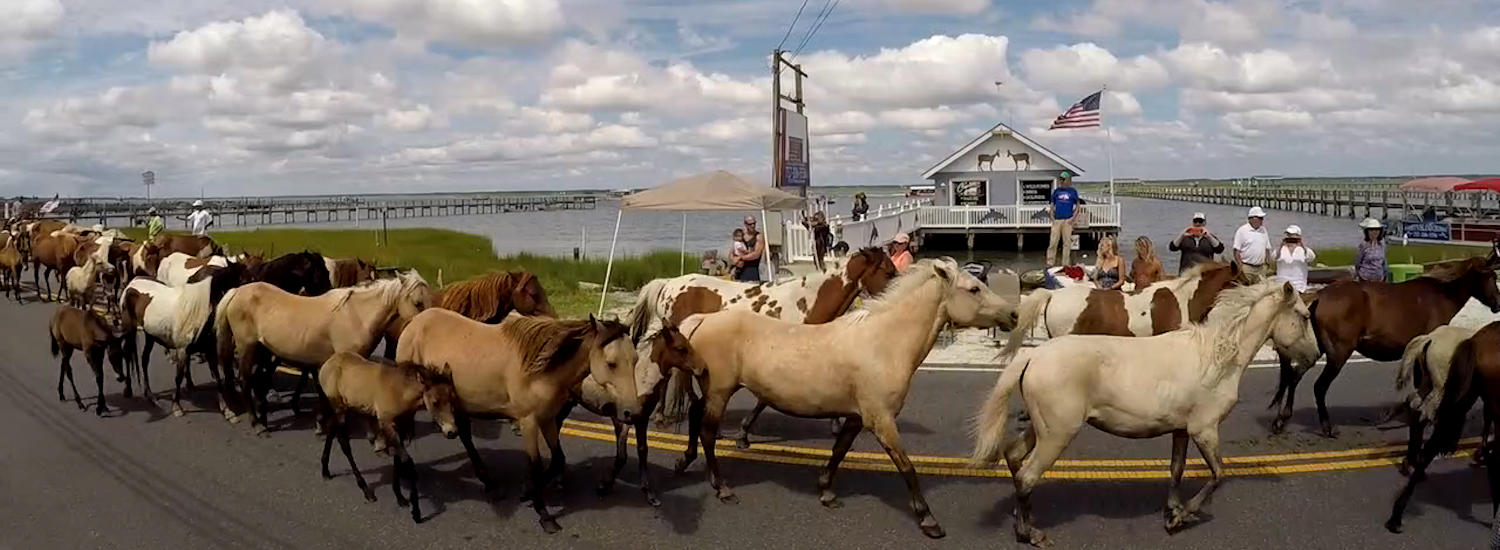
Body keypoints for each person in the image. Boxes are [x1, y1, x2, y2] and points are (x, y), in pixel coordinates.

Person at [1046, 171, 1080, 266]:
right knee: (1053, 242)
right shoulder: (1056, 191)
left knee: (1066, 243)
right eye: (1060, 179)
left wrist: (1073, 218)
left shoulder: (1072, 191)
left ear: (1067, 180)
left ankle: (1065, 264)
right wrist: (1052, 217)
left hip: (1067, 220)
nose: (1061, 181)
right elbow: (1052, 205)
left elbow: (1077, 206)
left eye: (1063, 179)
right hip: (1057, 220)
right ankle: (1050, 263)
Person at [1233, 206, 1272, 280]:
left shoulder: (1263, 230)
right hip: (1247, 268)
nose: (1262, 220)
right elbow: (1236, 251)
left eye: (1262, 218)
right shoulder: (1242, 230)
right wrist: (1240, 266)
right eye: (1260, 218)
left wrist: (1267, 264)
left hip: (1261, 268)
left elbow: (1267, 248)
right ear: (1251, 218)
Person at [1274, 225, 1315, 292]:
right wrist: (1280, 246)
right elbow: (1274, 257)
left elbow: (1311, 258)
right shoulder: (1280, 250)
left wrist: (1303, 245)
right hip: (1281, 285)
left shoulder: (1304, 250)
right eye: (1288, 236)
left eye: (1293, 237)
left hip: (1299, 286)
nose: (1290, 239)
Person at [1354, 217, 1388, 282]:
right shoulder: (1363, 245)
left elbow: (1384, 261)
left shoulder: (1382, 243)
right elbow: (1358, 261)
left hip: (1379, 278)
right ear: (1367, 232)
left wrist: (1386, 274)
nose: (1374, 232)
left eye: (1377, 230)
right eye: (1371, 230)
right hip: (1365, 278)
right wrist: (1357, 274)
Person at [733, 215, 764, 282]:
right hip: (739, 270)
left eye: (754, 223)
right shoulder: (741, 235)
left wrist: (740, 257)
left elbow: (756, 254)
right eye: (750, 224)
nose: (753, 226)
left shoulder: (758, 237)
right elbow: (732, 250)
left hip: (752, 269)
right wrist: (732, 260)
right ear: (745, 224)